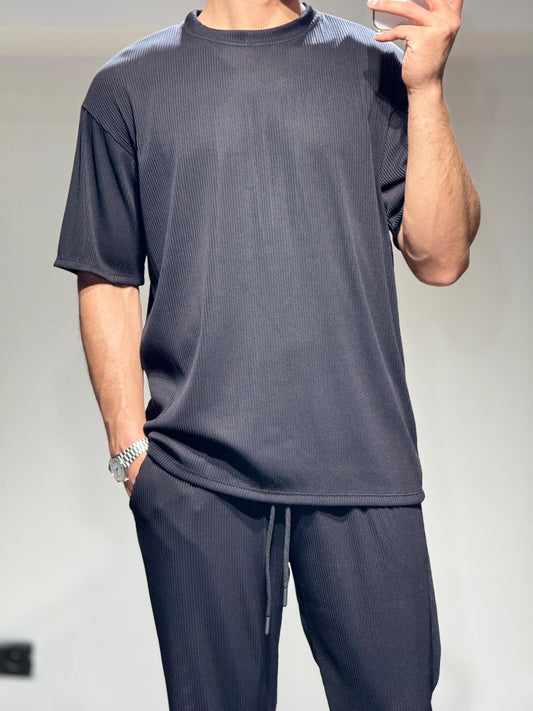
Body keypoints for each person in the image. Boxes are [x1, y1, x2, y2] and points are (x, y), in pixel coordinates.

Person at [53, 1, 480, 708]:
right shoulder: (126, 87)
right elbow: (107, 274)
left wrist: (427, 88)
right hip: (198, 475)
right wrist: (132, 455)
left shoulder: (375, 67)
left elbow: (441, 257)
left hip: (363, 463)